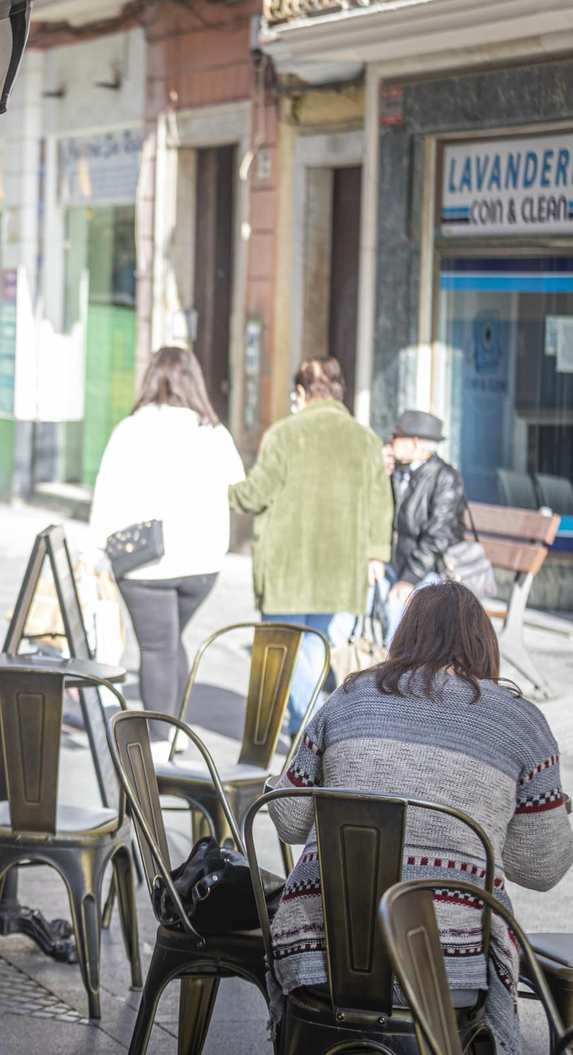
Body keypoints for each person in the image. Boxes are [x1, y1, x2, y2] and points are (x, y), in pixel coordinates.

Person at [268, 582, 572, 1055]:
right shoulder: (521, 722)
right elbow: (541, 868)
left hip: (319, 959)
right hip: (447, 972)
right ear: (484, 645)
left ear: (404, 635)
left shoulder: (349, 697)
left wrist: (280, 780)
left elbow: (288, 820)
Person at [229, 356, 392, 735]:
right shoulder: (366, 440)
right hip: (341, 568)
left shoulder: (284, 434)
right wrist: (376, 554)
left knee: (281, 654)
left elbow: (254, 494)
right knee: (315, 651)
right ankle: (305, 733)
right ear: (338, 391)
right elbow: (381, 504)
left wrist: (223, 488)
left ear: (302, 392)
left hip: (287, 568)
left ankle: (316, 728)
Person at [88, 348, 245, 734]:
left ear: (152, 379)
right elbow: (237, 486)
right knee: (170, 640)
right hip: (203, 564)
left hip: (145, 564)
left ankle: (160, 739)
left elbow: (106, 494)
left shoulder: (131, 429)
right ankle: (175, 732)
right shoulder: (213, 432)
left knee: (158, 647)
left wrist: (93, 552)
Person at [382, 409, 464, 640]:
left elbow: (437, 537)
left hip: (427, 571)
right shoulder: (394, 472)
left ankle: (395, 662)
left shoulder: (445, 478)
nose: (390, 442)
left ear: (415, 443)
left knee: (398, 605)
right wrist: (379, 472)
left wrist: (408, 578)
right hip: (392, 565)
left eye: (397, 436)